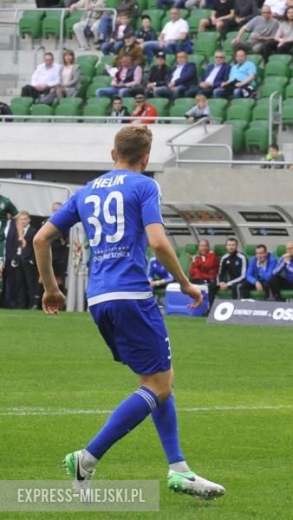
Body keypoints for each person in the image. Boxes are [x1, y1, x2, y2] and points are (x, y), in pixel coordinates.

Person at [33, 125, 225, 499]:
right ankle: (86, 458)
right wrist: (185, 282)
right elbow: (157, 241)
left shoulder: (86, 191)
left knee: (158, 382)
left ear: (112, 154)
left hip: (99, 298)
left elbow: (41, 238)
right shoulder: (144, 186)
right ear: (146, 157)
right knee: (158, 385)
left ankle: (179, 469)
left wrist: (52, 289)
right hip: (132, 296)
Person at [1, 211, 38, 309]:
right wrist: (13, 258)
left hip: (28, 260)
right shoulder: (16, 231)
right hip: (18, 260)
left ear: (29, 219)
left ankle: (32, 304)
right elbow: (13, 246)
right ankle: (21, 305)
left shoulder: (33, 231)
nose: (23, 221)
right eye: (21, 219)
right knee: (19, 284)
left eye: (25, 219)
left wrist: (32, 260)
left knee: (30, 283)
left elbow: (35, 247)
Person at [188, 239, 219, 307]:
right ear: (198, 247)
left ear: (208, 247)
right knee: (185, 285)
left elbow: (206, 266)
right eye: (201, 246)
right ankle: (189, 306)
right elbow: (191, 273)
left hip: (210, 279)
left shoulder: (212, 255)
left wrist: (197, 261)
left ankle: (210, 309)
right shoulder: (196, 257)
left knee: (211, 287)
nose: (203, 248)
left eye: (205, 246)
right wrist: (194, 262)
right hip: (198, 279)